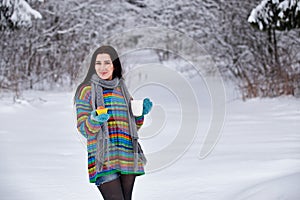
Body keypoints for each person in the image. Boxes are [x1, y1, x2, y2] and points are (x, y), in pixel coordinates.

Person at [74, 45, 152, 200]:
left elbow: (132, 127)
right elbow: (84, 129)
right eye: (98, 63)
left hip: (127, 156)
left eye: (107, 63)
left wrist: (140, 114)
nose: (102, 67)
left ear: (114, 65)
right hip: (103, 158)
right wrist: (95, 119)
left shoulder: (122, 89)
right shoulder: (86, 90)